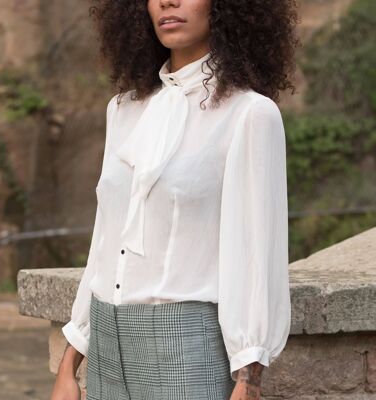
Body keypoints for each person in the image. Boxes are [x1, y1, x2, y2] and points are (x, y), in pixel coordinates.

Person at [51, 0, 300, 399]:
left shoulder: (250, 114)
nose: (168, 1)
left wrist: (248, 378)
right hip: (105, 352)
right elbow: (105, 243)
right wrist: (69, 363)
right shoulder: (123, 109)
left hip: (185, 349)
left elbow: (257, 256)